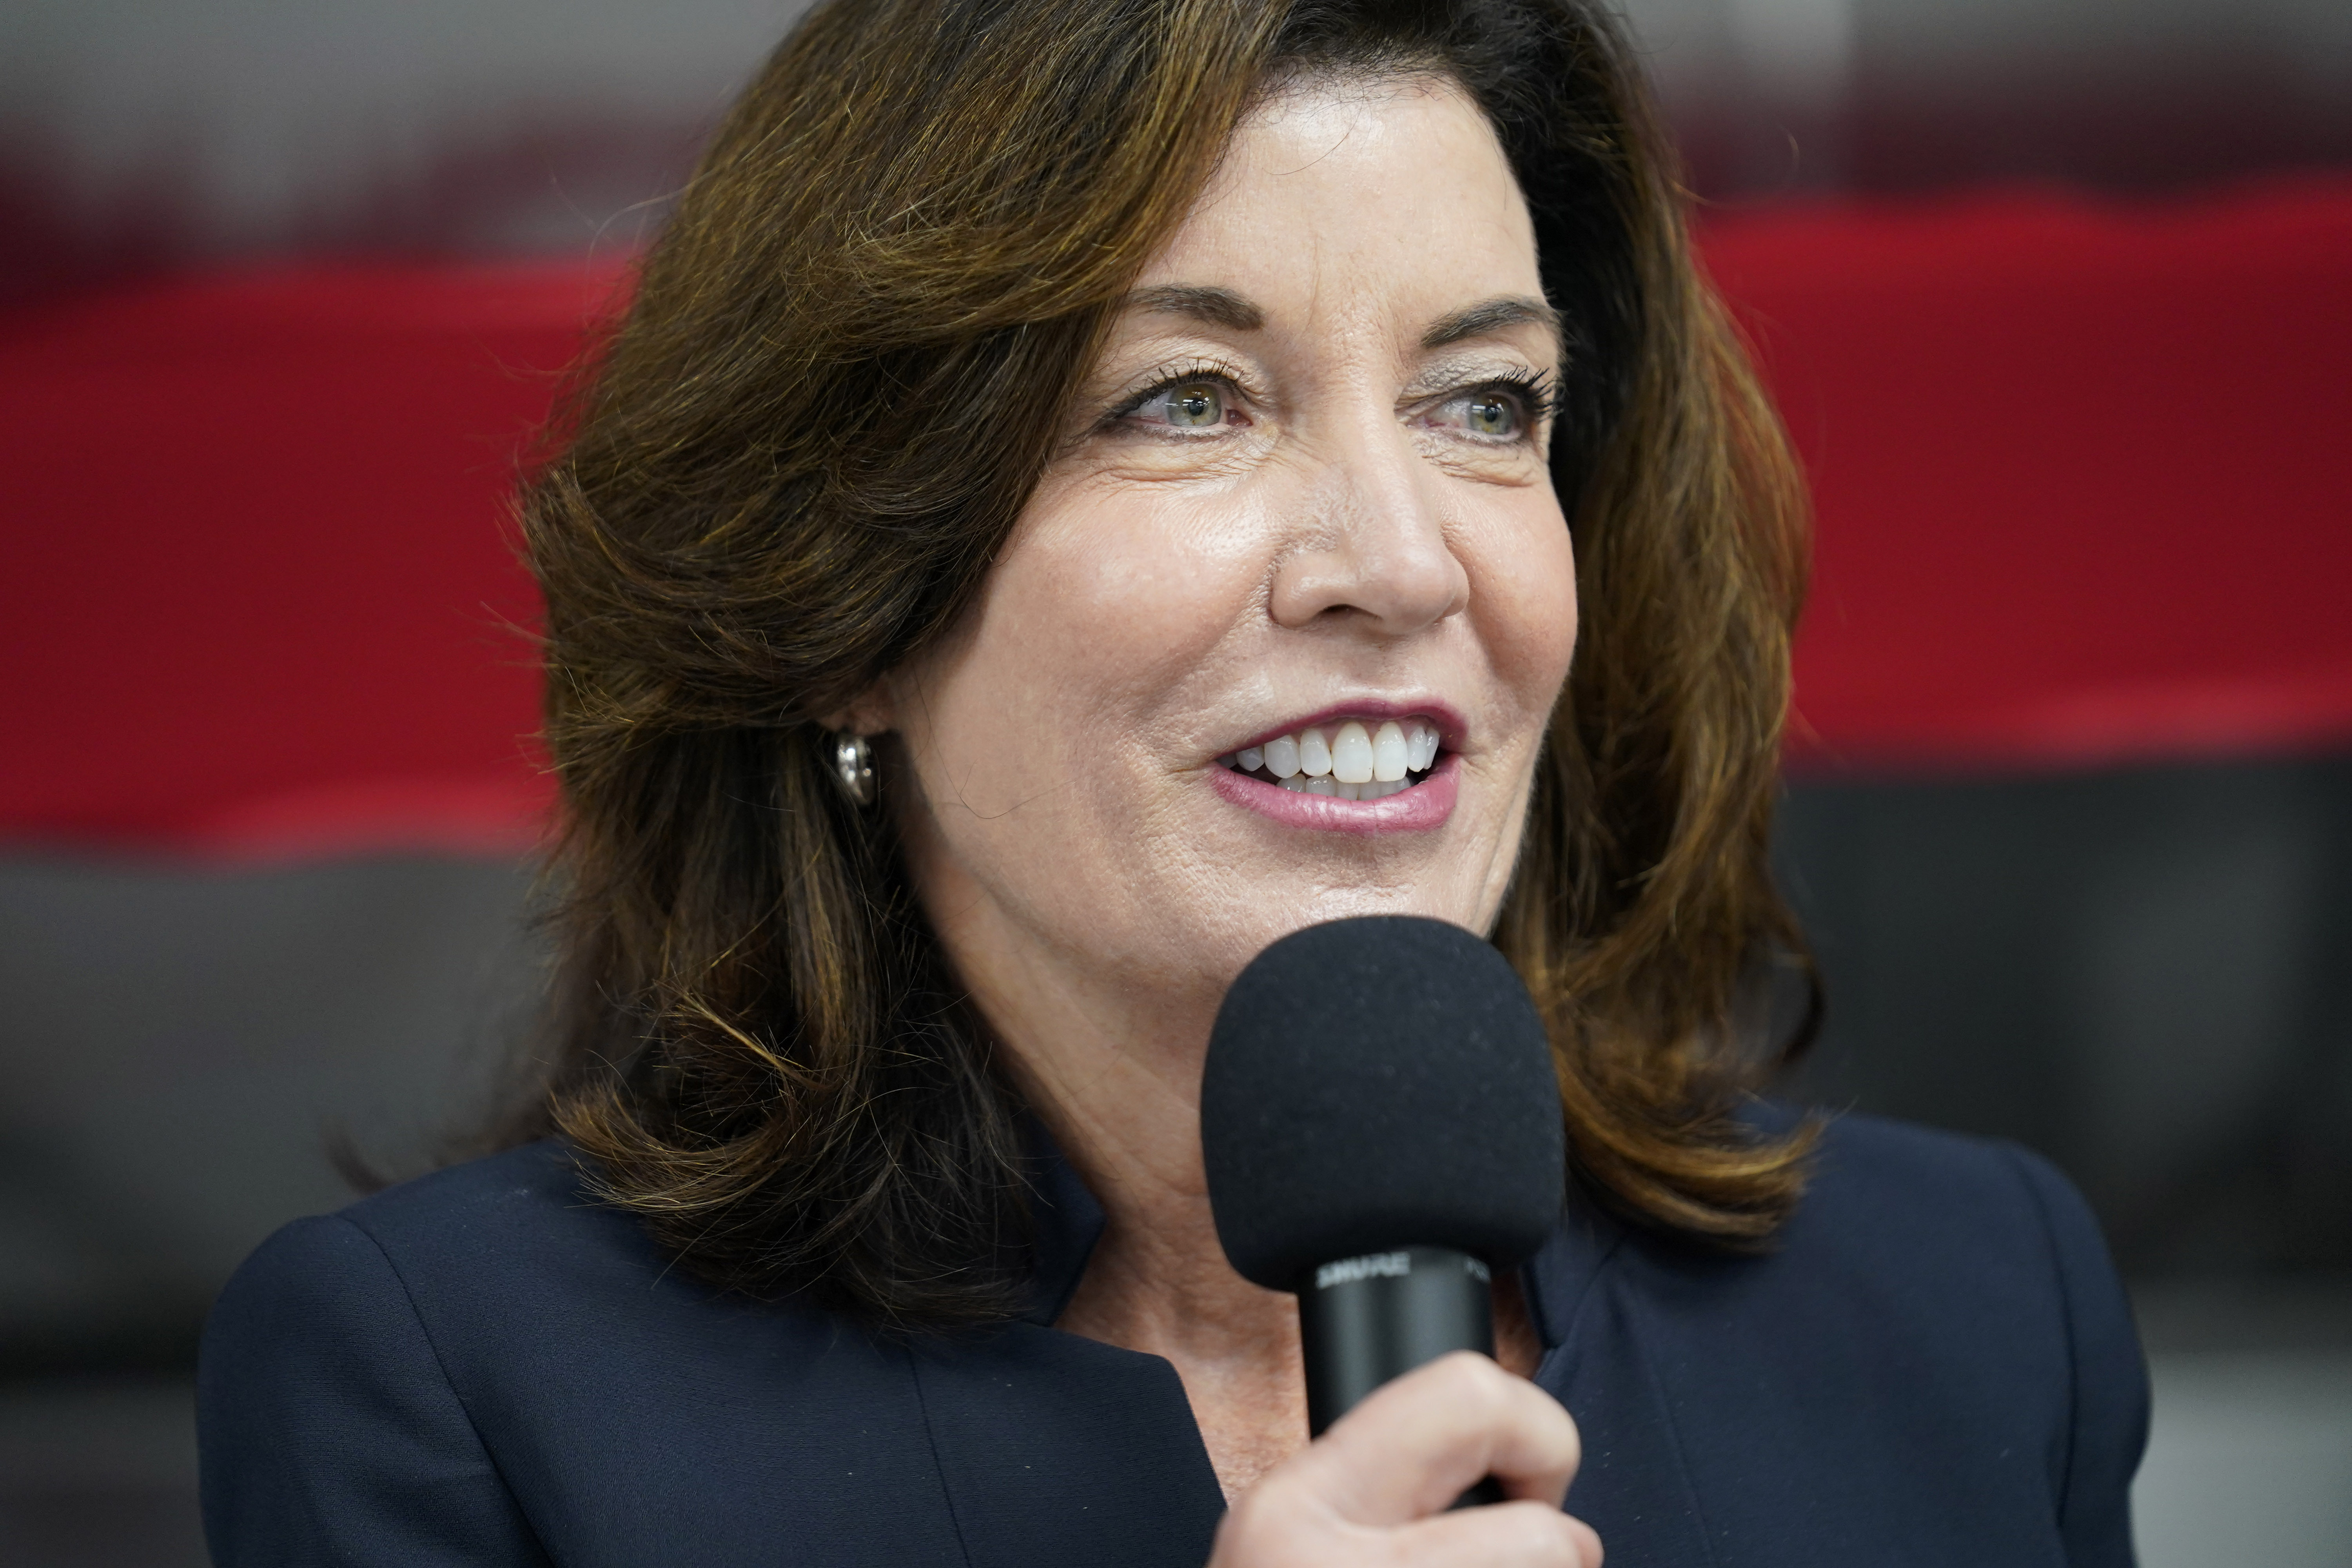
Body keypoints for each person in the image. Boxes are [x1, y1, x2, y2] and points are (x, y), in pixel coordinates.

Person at [197, 1, 2149, 1563]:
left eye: (1486, 405)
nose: (1397, 562)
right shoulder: (456, 1399)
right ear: (850, 597)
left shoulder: (1978, 1307)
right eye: (1186, 400)